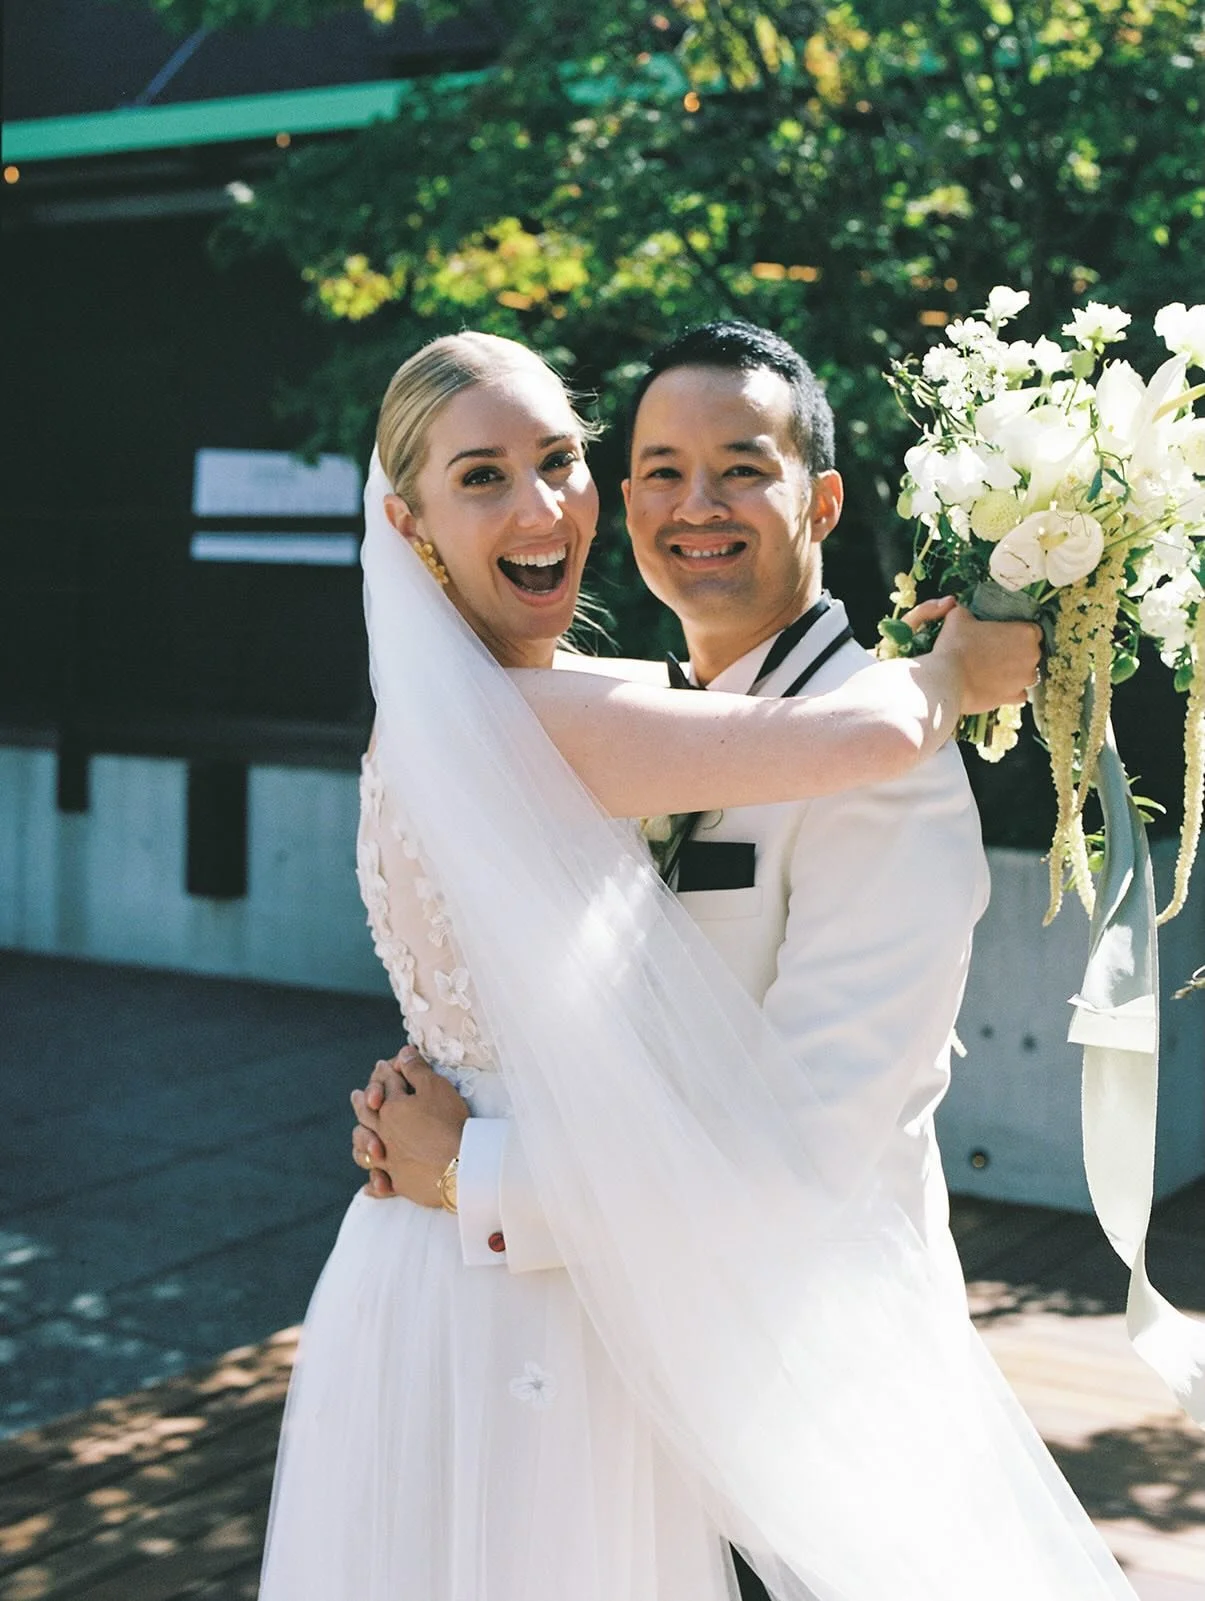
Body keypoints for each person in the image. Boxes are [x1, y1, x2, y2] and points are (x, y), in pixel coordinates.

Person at [259, 330, 1132, 1601]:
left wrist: (471, 1167)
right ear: (414, 525)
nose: (692, 504)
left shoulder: (855, 772)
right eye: (658, 468)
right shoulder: (582, 718)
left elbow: (804, 1149)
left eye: (738, 466)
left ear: (822, 499)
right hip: (558, 1335)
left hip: (777, 1371)